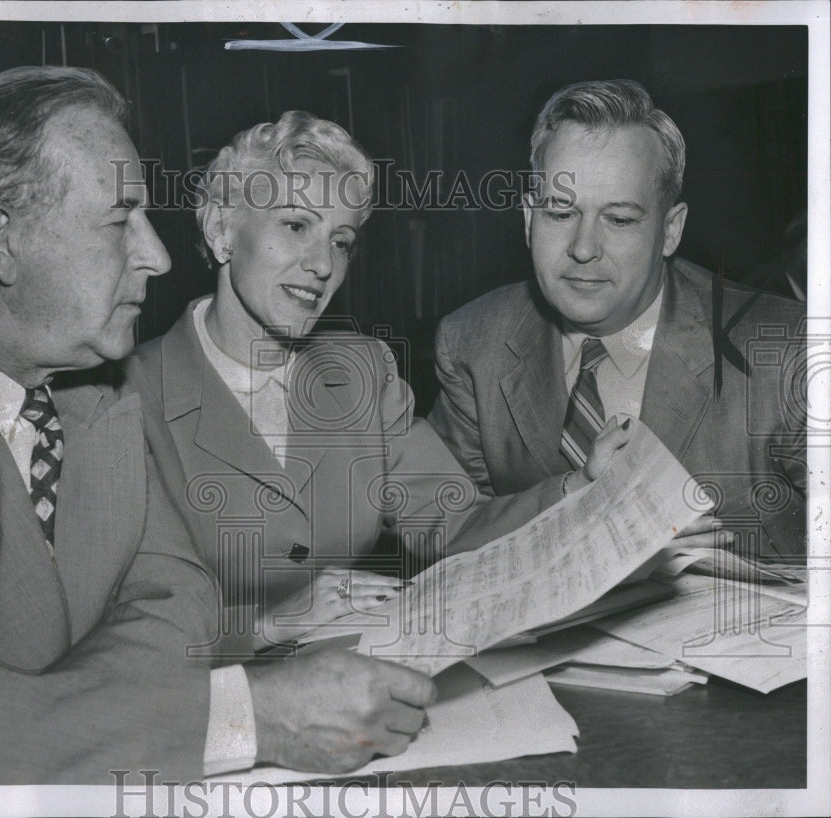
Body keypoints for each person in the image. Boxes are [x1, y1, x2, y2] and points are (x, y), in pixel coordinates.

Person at [0, 66, 435, 784]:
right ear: (1, 241)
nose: (158, 256)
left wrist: (47, 720)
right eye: (118, 221)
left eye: (341, 240)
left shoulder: (96, 398)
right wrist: (245, 718)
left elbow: (174, 600)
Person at [125, 111, 631, 652]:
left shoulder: (363, 373)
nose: (322, 264)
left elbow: (457, 524)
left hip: (354, 673)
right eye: (296, 225)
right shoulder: (127, 397)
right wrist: (267, 625)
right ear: (222, 230)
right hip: (204, 697)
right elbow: (115, 625)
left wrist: (580, 488)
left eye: (341, 241)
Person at [428, 79, 807, 558]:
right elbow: (448, 539)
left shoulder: (788, 349)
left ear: (671, 231)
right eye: (561, 213)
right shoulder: (472, 342)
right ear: (528, 220)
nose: (584, 249)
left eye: (620, 219)